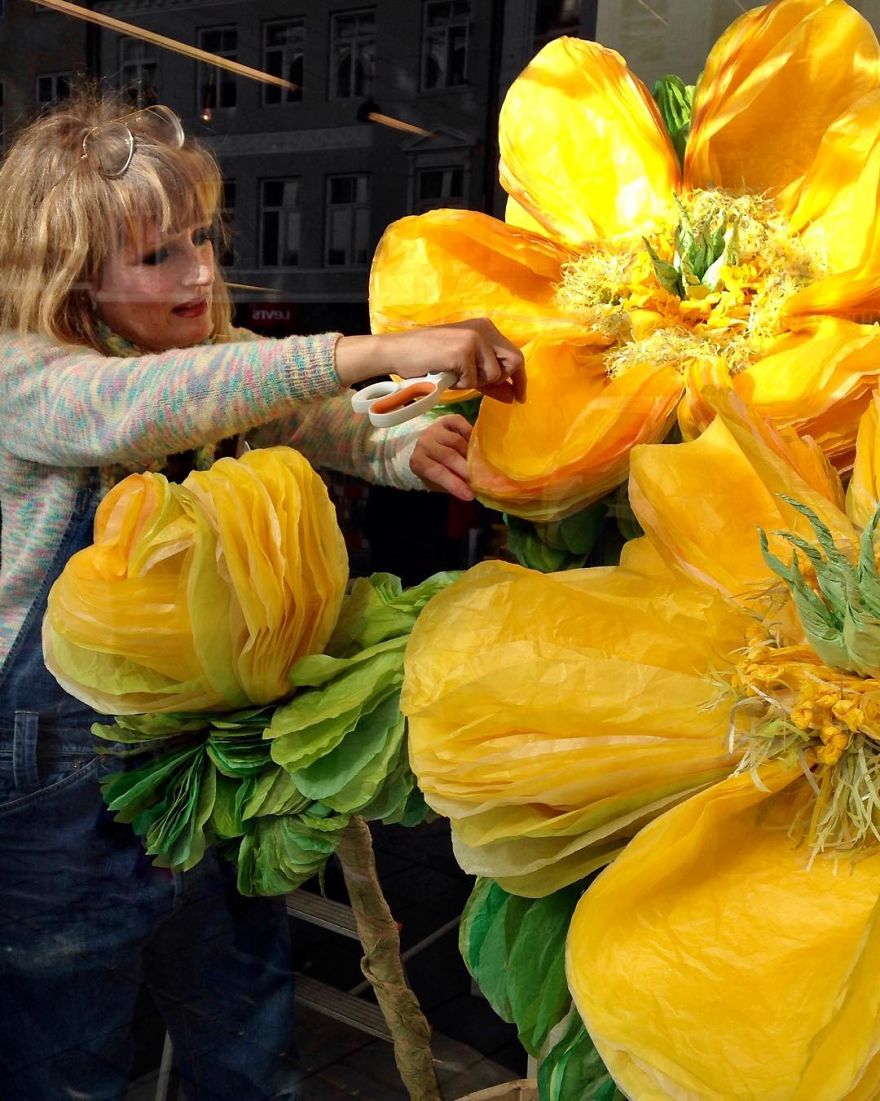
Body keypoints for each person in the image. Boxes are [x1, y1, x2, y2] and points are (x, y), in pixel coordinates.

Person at [0, 90, 524, 1100]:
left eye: (202, 237)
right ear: (71, 274)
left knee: (243, 1023)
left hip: (209, 750)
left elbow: (328, 421)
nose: (200, 272)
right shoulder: (24, 374)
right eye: (157, 256)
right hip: (60, 767)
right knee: (67, 1054)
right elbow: (130, 409)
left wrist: (415, 446)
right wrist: (374, 349)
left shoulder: (215, 356)